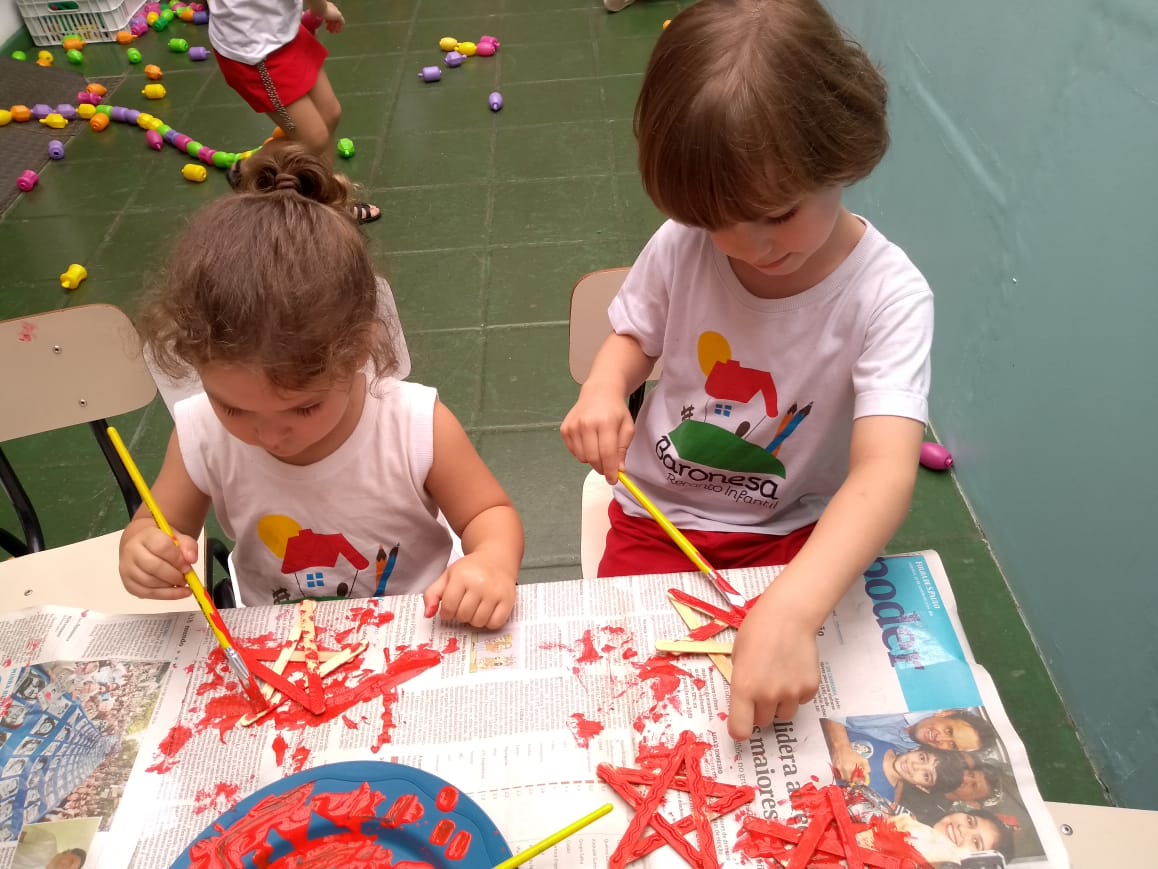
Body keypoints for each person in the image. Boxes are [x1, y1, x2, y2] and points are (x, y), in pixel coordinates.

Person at [560, 0, 934, 740]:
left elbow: (884, 475)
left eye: (777, 213)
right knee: (633, 702)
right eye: (716, 221)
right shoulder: (682, 244)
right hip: (659, 520)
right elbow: (633, 332)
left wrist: (793, 605)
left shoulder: (890, 296)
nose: (749, 244)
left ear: (842, 153)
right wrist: (604, 387)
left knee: (812, 716)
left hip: (796, 528)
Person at [119, 141, 523, 626]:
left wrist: (491, 562)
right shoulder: (200, 432)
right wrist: (144, 549)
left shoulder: (414, 425)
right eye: (233, 408)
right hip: (275, 637)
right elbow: (155, 525)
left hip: (420, 623)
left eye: (303, 408)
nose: (268, 436)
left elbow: (489, 515)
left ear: (357, 351)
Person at [207, 0, 379, 223]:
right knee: (314, 138)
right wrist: (322, 8)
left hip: (282, 33)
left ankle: (326, 194)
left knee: (330, 114)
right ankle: (250, 169)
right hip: (255, 51)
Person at [823, 712, 999, 779]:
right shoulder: (901, 698)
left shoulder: (907, 749)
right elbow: (826, 694)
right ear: (946, 713)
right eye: (949, 731)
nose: (941, 739)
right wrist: (842, 747)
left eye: (951, 745)